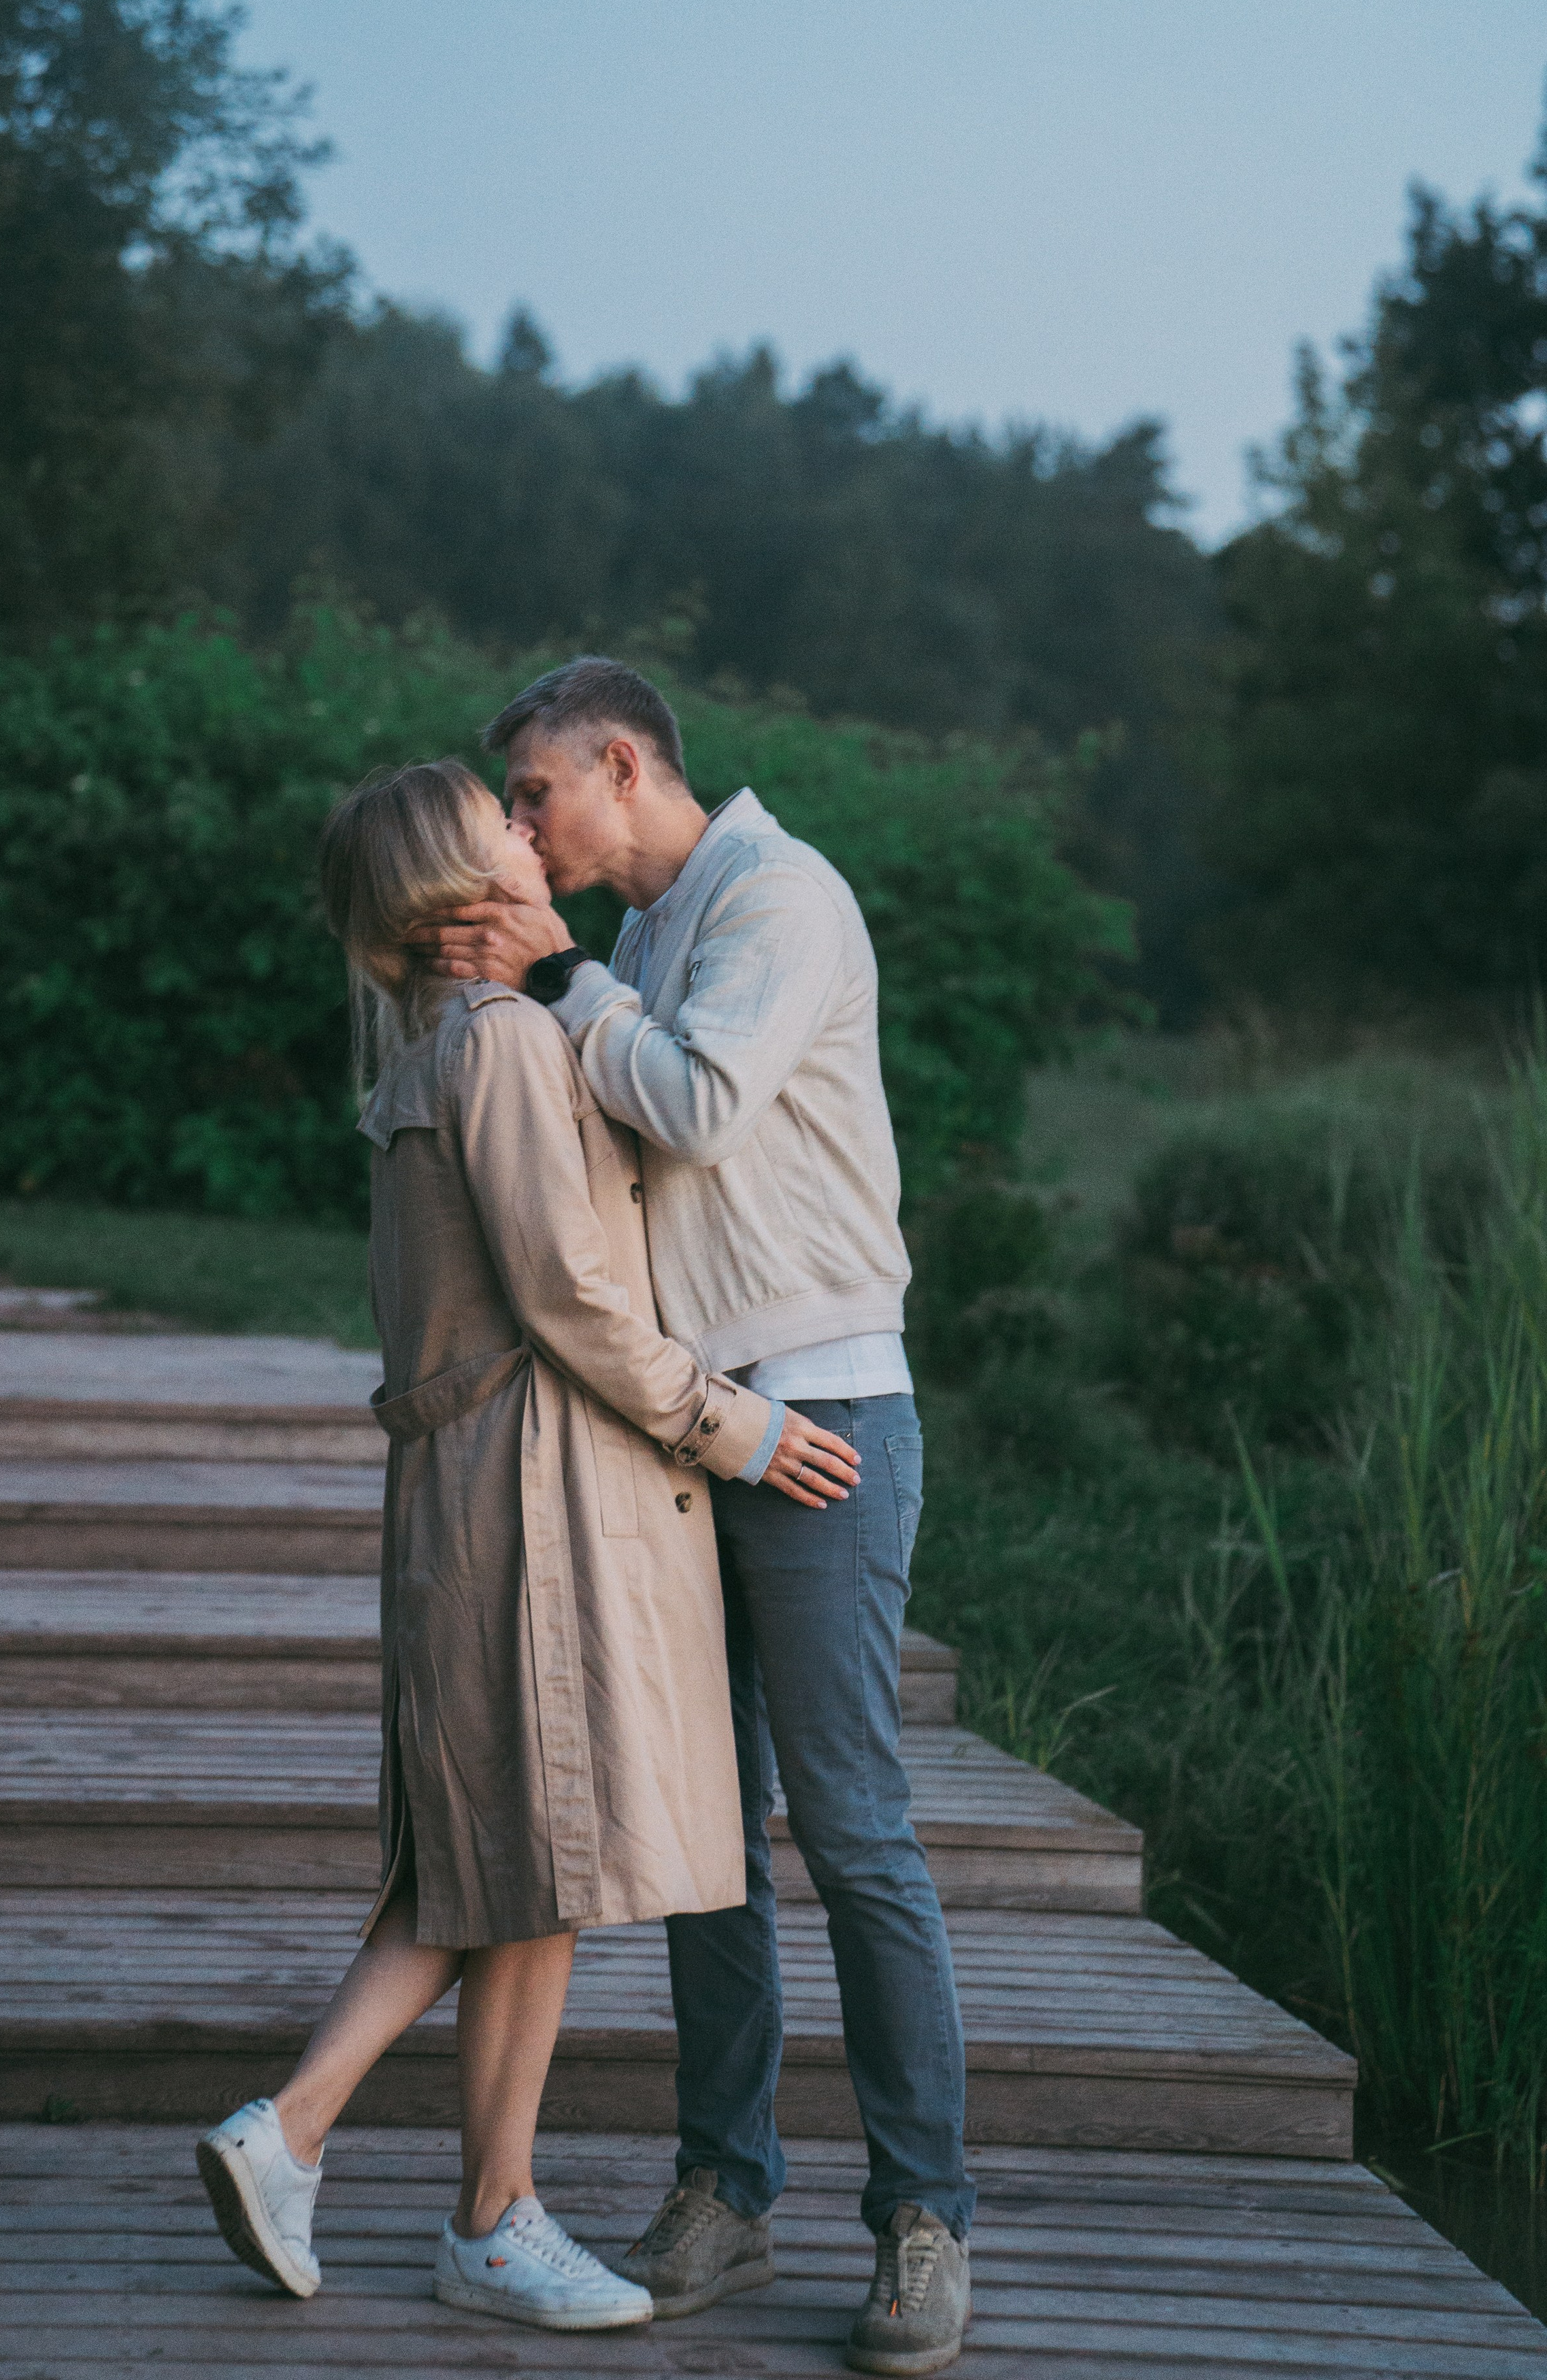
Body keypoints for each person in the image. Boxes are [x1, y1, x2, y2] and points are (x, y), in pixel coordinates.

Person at [194, 758, 861, 2336]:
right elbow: (569, 1296)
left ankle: (358, 2167)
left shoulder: (454, 1039)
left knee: (495, 1854)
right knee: (532, 1850)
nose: (529, 823)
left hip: (481, 1481)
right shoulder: (498, 1043)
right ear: (458, 874)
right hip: (530, 1486)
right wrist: (737, 1426)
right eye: (502, 814)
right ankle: (416, 2186)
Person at [417, 660, 975, 2377]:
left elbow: (699, 1102)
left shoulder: (777, 898)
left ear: (623, 760)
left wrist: (558, 970)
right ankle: (724, 2191)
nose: (521, 824)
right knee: (706, 1838)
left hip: (816, 1415)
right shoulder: (641, 937)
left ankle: (920, 2219)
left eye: (534, 794)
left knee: (851, 1821)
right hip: (683, 1430)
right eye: (507, 806)